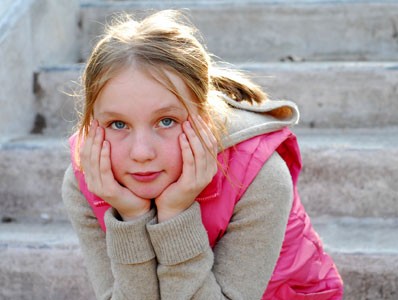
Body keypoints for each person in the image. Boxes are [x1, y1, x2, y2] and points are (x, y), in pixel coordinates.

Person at [62, 10, 343, 299]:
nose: (142, 153)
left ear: (203, 115)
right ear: (92, 122)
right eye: (118, 124)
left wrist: (174, 217)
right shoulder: (86, 179)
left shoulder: (259, 176)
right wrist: (131, 219)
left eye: (166, 121)